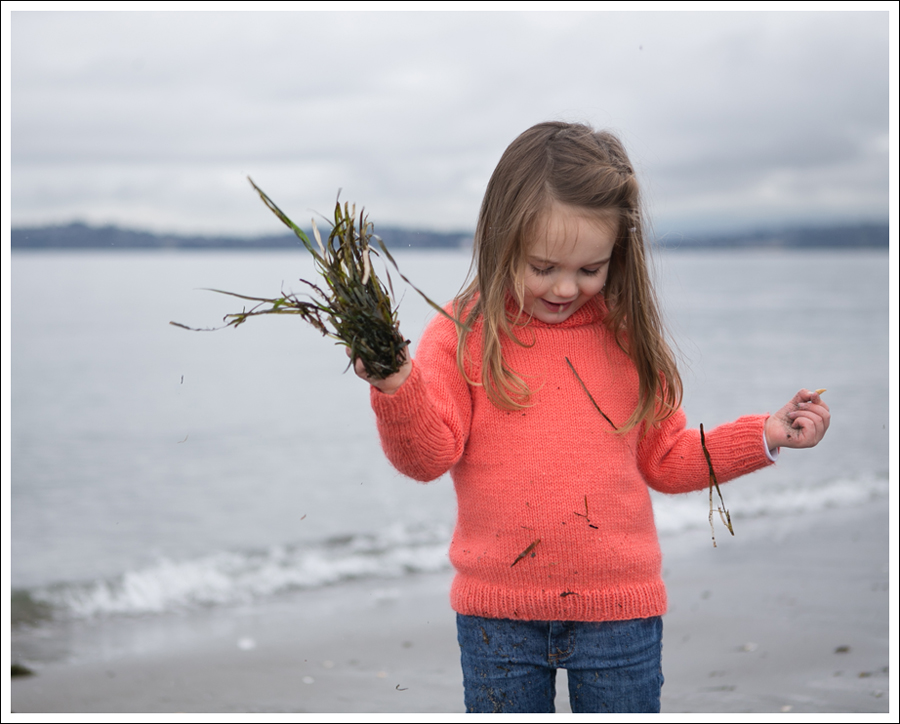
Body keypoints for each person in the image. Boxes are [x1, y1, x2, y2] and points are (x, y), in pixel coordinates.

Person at [350, 121, 830, 713]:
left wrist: (763, 434)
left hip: (620, 615)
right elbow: (429, 458)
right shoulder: (463, 332)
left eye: (589, 269)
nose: (565, 287)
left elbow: (667, 458)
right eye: (543, 266)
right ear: (501, 241)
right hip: (495, 618)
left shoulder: (627, 337)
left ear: (617, 255)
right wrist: (396, 386)